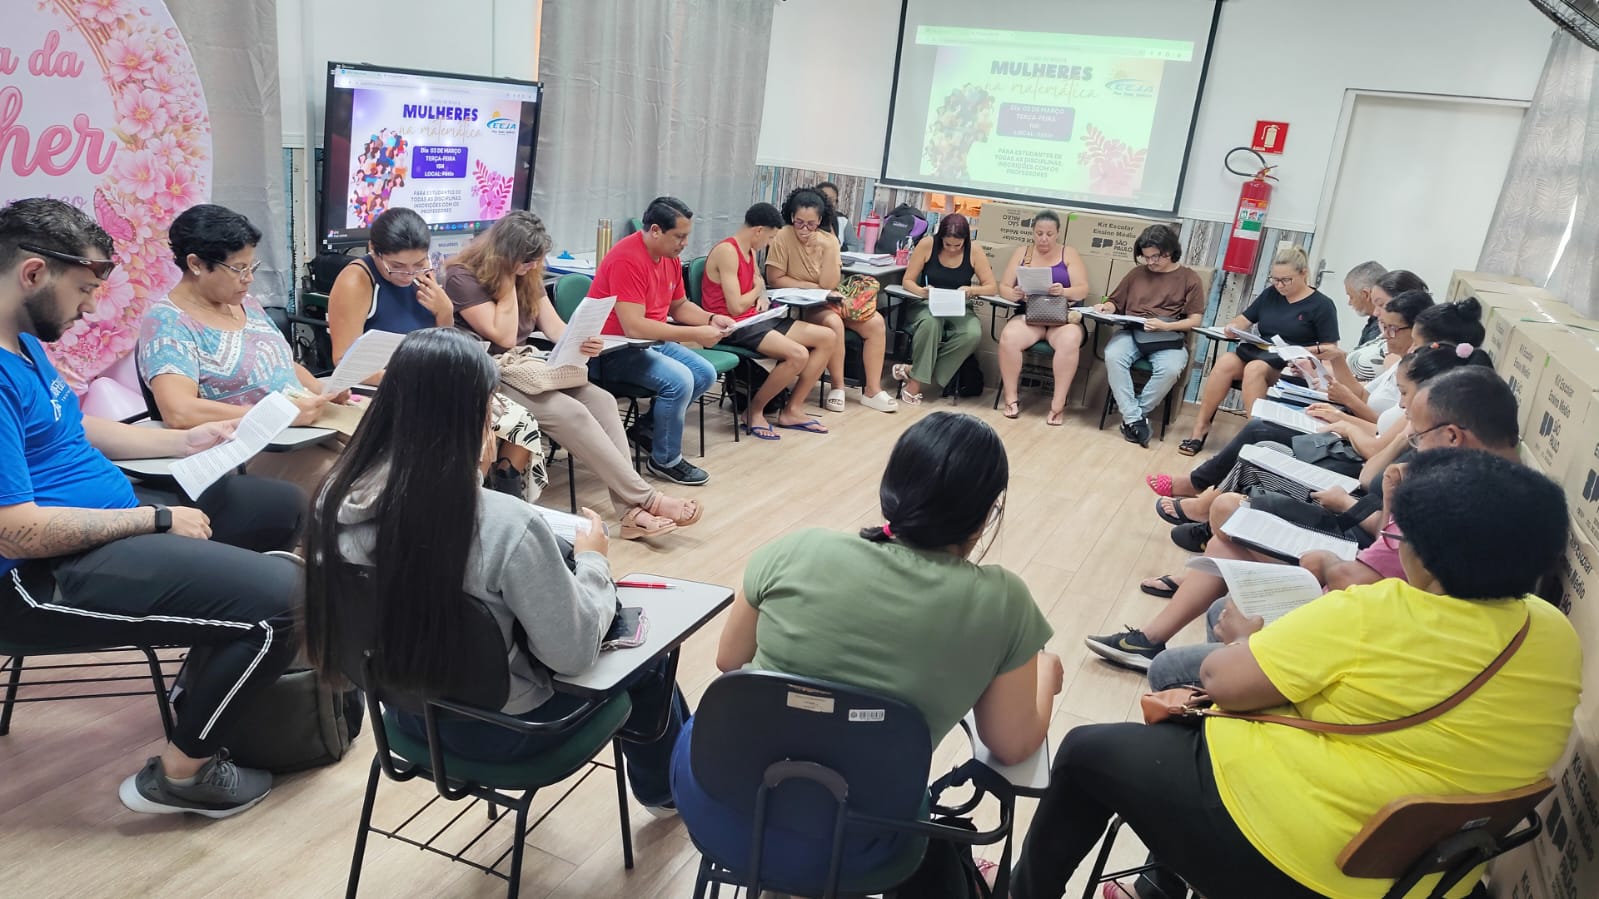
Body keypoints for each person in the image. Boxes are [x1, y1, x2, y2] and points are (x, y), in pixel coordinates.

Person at [1021, 448, 1579, 899]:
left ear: (1426, 559)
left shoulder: (1378, 610)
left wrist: (1244, 638)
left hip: (1296, 859)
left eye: (1400, 537)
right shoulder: (1553, 632)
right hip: (1425, 877)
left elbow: (1221, 682)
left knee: (1085, 751)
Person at [0, 198, 301, 817]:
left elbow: (72, 429)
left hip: (104, 523)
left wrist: (181, 442)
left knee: (275, 506)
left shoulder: (23, 343)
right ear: (33, 274)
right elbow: (17, 534)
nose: (90, 308)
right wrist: (157, 518)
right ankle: (183, 774)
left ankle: (216, 656)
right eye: (84, 290)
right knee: (288, 602)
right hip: (35, 577)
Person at [303, 327, 686, 814]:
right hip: (510, 730)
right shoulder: (505, 525)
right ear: (476, 416)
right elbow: (571, 653)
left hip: (402, 714)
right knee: (649, 657)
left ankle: (674, 785)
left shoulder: (332, 499)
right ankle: (667, 792)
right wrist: (593, 560)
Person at [672, 412, 1061, 885]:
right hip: (866, 844)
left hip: (725, 817)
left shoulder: (796, 549)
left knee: (709, 722)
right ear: (984, 515)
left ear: (892, 486)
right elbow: (1011, 744)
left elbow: (730, 662)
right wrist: (1045, 675)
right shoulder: (1004, 602)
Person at [1097, 342, 1499, 672]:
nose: (1404, 409)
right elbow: (1375, 488)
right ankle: (1150, 639)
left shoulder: (1450, 488)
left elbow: (1382, 552)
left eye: (1407, 400)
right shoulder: (1431, 452)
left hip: (1352, 540)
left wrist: (1361, 500)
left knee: (1234, 511)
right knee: (1233, 519)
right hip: (1354, 529)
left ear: (1451, 431)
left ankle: (1176, 614)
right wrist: (1400, 438)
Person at [444, 211, 701, 538]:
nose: (533, 267)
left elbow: (554, 328)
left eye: (536, 261)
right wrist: (508, 281)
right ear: (504, 255)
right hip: (486, 373)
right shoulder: (461, 277)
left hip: (527, 367)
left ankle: (630, 513)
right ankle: (648, 500)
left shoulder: (527, 273)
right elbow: (504, 337)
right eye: (526, 261)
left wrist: (582, 340)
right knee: (573, 412)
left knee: (603, 402)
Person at [139, 204, 349, 491]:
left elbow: (280, 363)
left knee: (391, 456)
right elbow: (179, 411)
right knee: (353, 483)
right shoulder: (168, 323)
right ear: (196, 264)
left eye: (252, 267)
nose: (249, 278)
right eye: (239, 269)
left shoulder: (244, 303)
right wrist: (276, 414)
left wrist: (323, 390)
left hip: (298, 432)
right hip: (243, 448)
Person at [589, 196, 722, 486]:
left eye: (686, 236)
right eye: (679, 236)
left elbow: (680, 306)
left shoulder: (669, 256)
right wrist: (696, 334)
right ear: (656, 231)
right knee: (680, 381)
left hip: (650, 342)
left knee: (704, 374)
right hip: (614, 350)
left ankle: (647, 430)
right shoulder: (627, 259)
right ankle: (665, 460)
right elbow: (634, 327)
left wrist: (711, 319)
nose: (684, 243)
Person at [1180, 246, 1339, 455]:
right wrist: (1233, 327)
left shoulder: (1322, 305)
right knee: (1226, 362)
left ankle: (1255, 434)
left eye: (1285, 280)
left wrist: (1301, 350)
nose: (1279, 285)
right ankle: (1201, 427)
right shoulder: (1271, 294)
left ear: (1304, 273)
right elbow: (1244, 319)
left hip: (1292, 365)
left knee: (1254, 369)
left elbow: (1331, 348)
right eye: (1275, 279)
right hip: (1262, 352)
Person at [701, 202, 836, 438]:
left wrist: (761, 293)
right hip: (732, 325)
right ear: (758, 231)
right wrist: (757, 289)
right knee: (798, 354)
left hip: (756, 318)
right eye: (771, 237)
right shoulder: (727, 252)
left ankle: (792, 410)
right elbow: (736, 306)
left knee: (827, 337)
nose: (770, 243)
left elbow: (759, 282)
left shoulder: (750, 251)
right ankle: (754, 411)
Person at [766, 187, 898, 414]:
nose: (804, 229)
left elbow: (829, 283)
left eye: (811, 224)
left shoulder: (828, 241)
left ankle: (872, 390)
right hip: (802, 305)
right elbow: (775, 278)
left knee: (876, 323)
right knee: (833, 323)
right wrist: (812, 287)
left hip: (829, 299)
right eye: (799, 222)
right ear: (791, 217)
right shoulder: (782, 236)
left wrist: (828, 247)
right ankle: (838, 387)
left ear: (820, 220)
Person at [1088, 225, 1205, 447]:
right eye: (1146, 257)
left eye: (1155, 257)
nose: (1150, 262)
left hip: (1167, 336)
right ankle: (1135, 420)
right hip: (1132, 331)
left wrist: (1165, 326)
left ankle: (1133, 418)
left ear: (1169, 251)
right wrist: (1106, 308)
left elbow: (1195, 320)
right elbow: (1115, 302)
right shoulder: (1136, 274)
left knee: (1170, 369)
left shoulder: (1190, 278)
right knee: (1113, 356)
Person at [326, 207, 451, 370]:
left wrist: (445, 312)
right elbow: (344, 361)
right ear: (373, 249)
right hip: (381, 382)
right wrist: (408, 378)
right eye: (397, 266)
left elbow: (443, 349)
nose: (408, 275)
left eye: (419, 264)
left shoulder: (425, 275)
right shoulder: (356, 281)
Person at [995, 210, 1090, 425]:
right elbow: (1004, 287)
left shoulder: (1069, 253)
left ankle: (1058, 405)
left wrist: (1063, 291)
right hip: (1030, 313)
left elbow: (1083, 289)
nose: (1044, 239)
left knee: (1069, 340)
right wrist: (1015, 293)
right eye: (1039, 234)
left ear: (1058, 233)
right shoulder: (1023, 252)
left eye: (1049, 234)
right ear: (1033, 232)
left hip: (1062, 317)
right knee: (1009, 337)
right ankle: (1011, 398)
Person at [890, 212, 994, 405]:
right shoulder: (927, 244)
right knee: (931, 324)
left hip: (958, 307)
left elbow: (991, 287)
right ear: (940, 238)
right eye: (947, 244)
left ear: (965, 240)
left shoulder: (975, 250)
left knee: (972, 333)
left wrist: (972, 290)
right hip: (927, 304)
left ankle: (915, 372)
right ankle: (914, 386)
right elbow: (907, 280)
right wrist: (922, 291)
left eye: (957, 245)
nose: (952, 249)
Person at [816, 181, 848, 248]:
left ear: (836, 202)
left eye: (831, 200)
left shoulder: (842, 220)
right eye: (824, 198)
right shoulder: (807, 219)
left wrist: (838, 249)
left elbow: (855, 246)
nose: (828, 203)